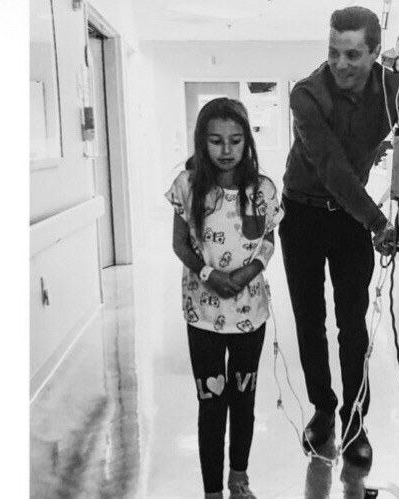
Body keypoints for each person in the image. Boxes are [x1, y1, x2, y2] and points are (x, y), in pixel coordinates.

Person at [278, 6, 399, 467]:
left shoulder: (398, 91)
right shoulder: (307, 94)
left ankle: (355, 420)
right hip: (303, 214)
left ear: (375, 53)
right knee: (309, 321)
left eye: (352, 54)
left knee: (353, 324)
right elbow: (332, 168)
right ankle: (323, 409)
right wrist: (378, 222)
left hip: (350, 219)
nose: (340, 64)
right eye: (333, 52)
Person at [166, 97, 283, 499]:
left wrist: (248, 273)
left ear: (247, 141)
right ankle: (212, 490)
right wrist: (208, 275)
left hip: (250, 313)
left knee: (243, 400)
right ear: (202, 142)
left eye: (235, 140)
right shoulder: (187, 186)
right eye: (216, 141)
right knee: (211, 403)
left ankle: (238, 478)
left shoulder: (262, 189)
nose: (226, 150)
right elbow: (180, 244)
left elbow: (268, 240)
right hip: (203, 314)